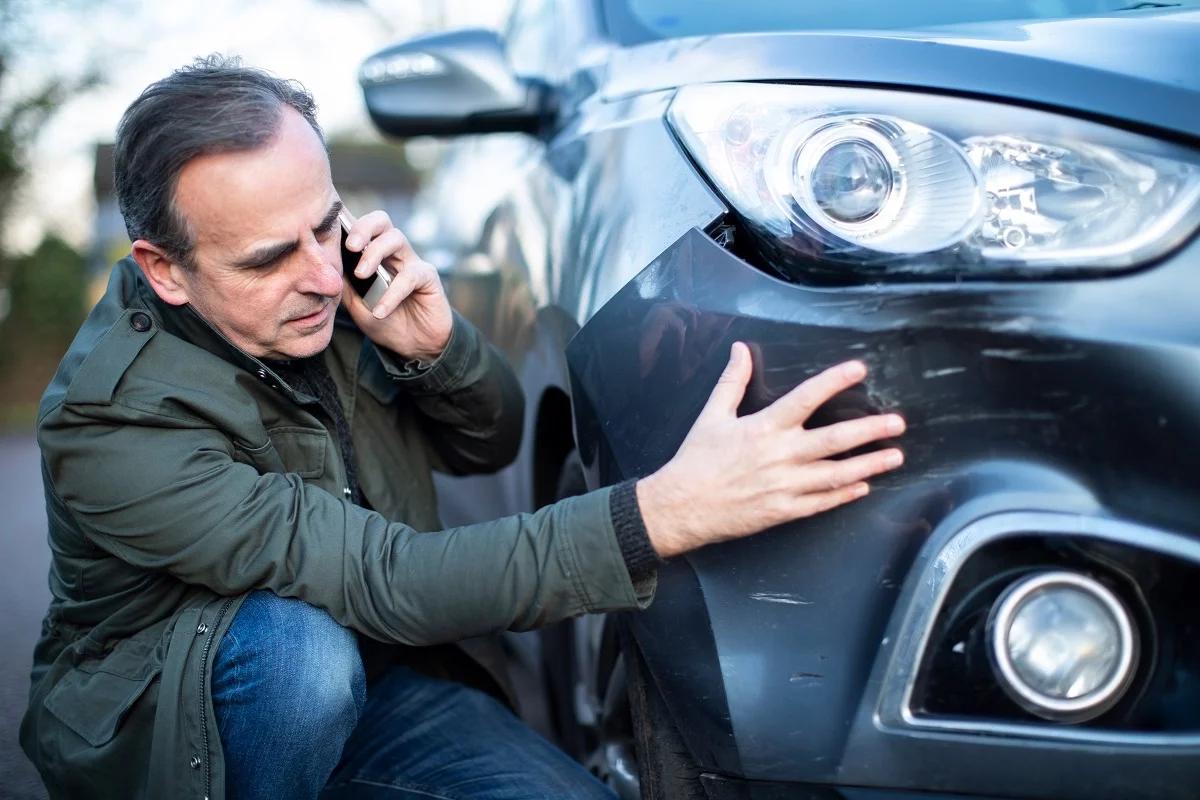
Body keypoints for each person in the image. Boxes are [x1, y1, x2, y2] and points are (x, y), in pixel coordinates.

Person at [19, 56, 906, 800]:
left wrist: (435, 353)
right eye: (269, 259)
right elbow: (387, 577)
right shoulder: (111, 424)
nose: (325, 277)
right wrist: (662, 516)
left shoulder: (327, 303)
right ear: (164, 271)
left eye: (327, 227)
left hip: (383, 681)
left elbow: (487, 443)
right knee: (299, 658)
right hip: (187, 732)